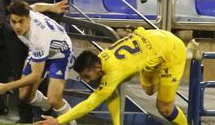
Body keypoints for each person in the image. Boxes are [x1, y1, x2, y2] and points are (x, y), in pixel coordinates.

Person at [35, 27, 188, 125]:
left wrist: (58, 120)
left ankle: (189, 54)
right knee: (148, 90)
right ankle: (161, 74)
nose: (87, 81)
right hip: (153, 44)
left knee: (164, 108)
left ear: (97, 67)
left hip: (171, 51)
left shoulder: (113, 71)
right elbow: (112, 95)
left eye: (87, 76)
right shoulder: (102, 59)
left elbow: (90, 104)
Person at [0, 0, 68, 122]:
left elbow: (62, 3)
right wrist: (7, 24)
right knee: (19, 73)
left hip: (41, 35)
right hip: (15, 33)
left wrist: (48, 29)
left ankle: (42, 117)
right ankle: (24, 117)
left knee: (41, 76)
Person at [0, 0, 76, 125]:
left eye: (21, 22)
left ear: (28, 19)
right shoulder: (27, 11)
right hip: (40, 51)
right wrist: (52, 7)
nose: (17, 26)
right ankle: (45, 104)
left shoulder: (37, 37)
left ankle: (73, 123)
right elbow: (36, 6)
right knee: (24, 96)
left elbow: (35, 75)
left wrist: (7, 86)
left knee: (54, 99)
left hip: (60, 54)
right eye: (14, 22)